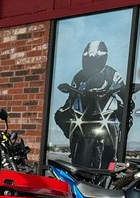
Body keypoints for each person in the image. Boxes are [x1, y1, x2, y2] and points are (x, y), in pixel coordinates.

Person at [54, 41, 129, 169]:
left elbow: (124, 92)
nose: (91, 64)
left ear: (102, 59)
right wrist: (68, 104)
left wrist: (129, 102)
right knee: (59, 115)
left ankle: (119, 149)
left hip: (105, 109)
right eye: (88, 60)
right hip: (85, 110)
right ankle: (74, 140)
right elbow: (71, 95)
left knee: (127, 117)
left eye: (94, 61)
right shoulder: (79, 76)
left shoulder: (112, 74)